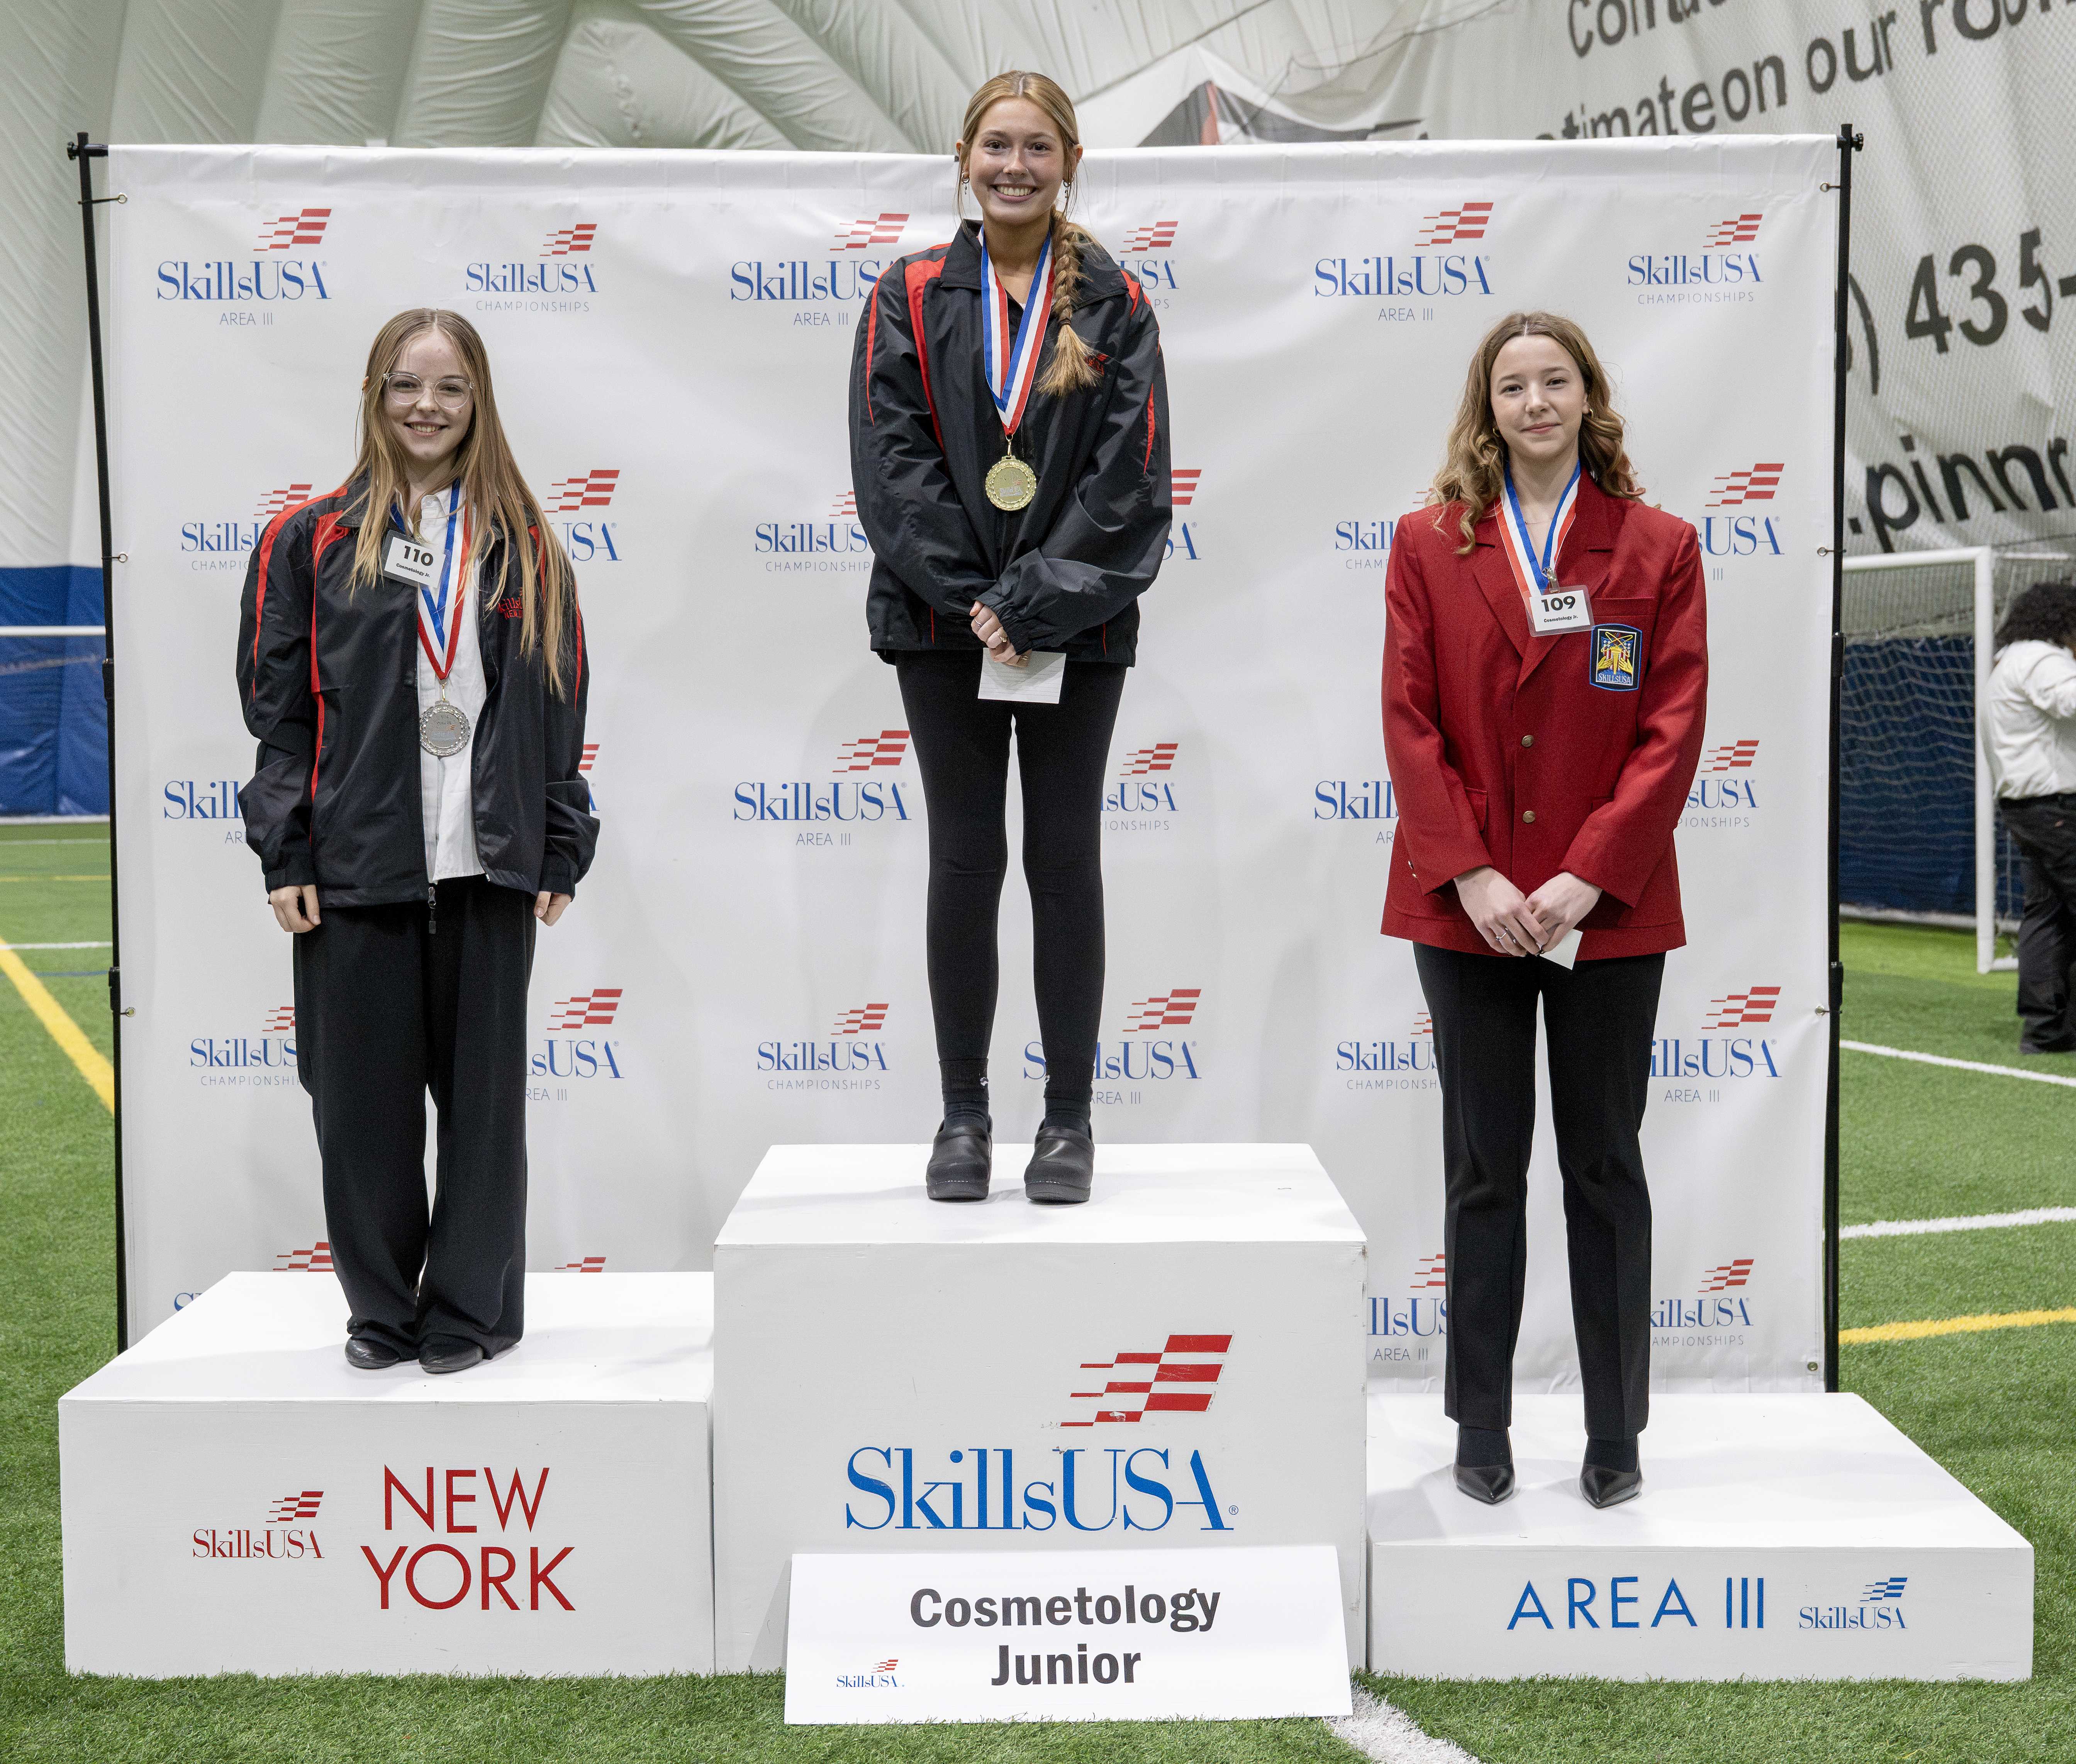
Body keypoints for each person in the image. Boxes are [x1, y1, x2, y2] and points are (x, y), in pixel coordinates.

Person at [1381, 312, 1706, 1508]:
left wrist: (1585, 872)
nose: (1533, 402)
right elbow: (1408, 720)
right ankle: (1481, 1424)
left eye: (1553, 380)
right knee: (1482, 1171)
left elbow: (1672, 727)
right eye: (1510, 384)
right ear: (1486, 404)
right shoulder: (1426, 543)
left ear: (1587, 396)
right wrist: (1470, 870)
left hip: (1604, 906)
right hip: (1462, 903)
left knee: (1605, 1165)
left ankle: (1615, 1432)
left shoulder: (1659, 545)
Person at [236, 308, 595, 1374]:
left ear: (479, 401)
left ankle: (469, 1313)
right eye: (405, 385)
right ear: (373, 394)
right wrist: (287, 851)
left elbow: (560, 706)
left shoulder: (525, 542)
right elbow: (279, 714)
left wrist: (561, 842)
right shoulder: (308, 540)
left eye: (449, 388)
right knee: (359, 1113)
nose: (426, 407)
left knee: (484, 1116)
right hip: (359, 866)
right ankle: (384, 1312)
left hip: (488, 865)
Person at [848, 70, 1171, 1206]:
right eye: (997, 145)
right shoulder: (910, 291)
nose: (1015, 165)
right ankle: (964, 1115)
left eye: (1037, 147)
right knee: (965, 854)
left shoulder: (1114, 300)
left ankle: (1070, 1118)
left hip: (1071, 630)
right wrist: (974, 594)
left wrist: (1031, 600)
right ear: (963, 156)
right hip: (942, 625)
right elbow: (889, 462)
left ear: (1068, 162)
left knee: (1063, 857)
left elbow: (1131, 472)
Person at [1980, 580, 2076, 1052]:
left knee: (2047, 916)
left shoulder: (2009, 662)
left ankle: (2046, 1031)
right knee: (2051, 916)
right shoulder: (2043, 659)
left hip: (2027, 808)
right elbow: (2070, 700)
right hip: (2057, 807)